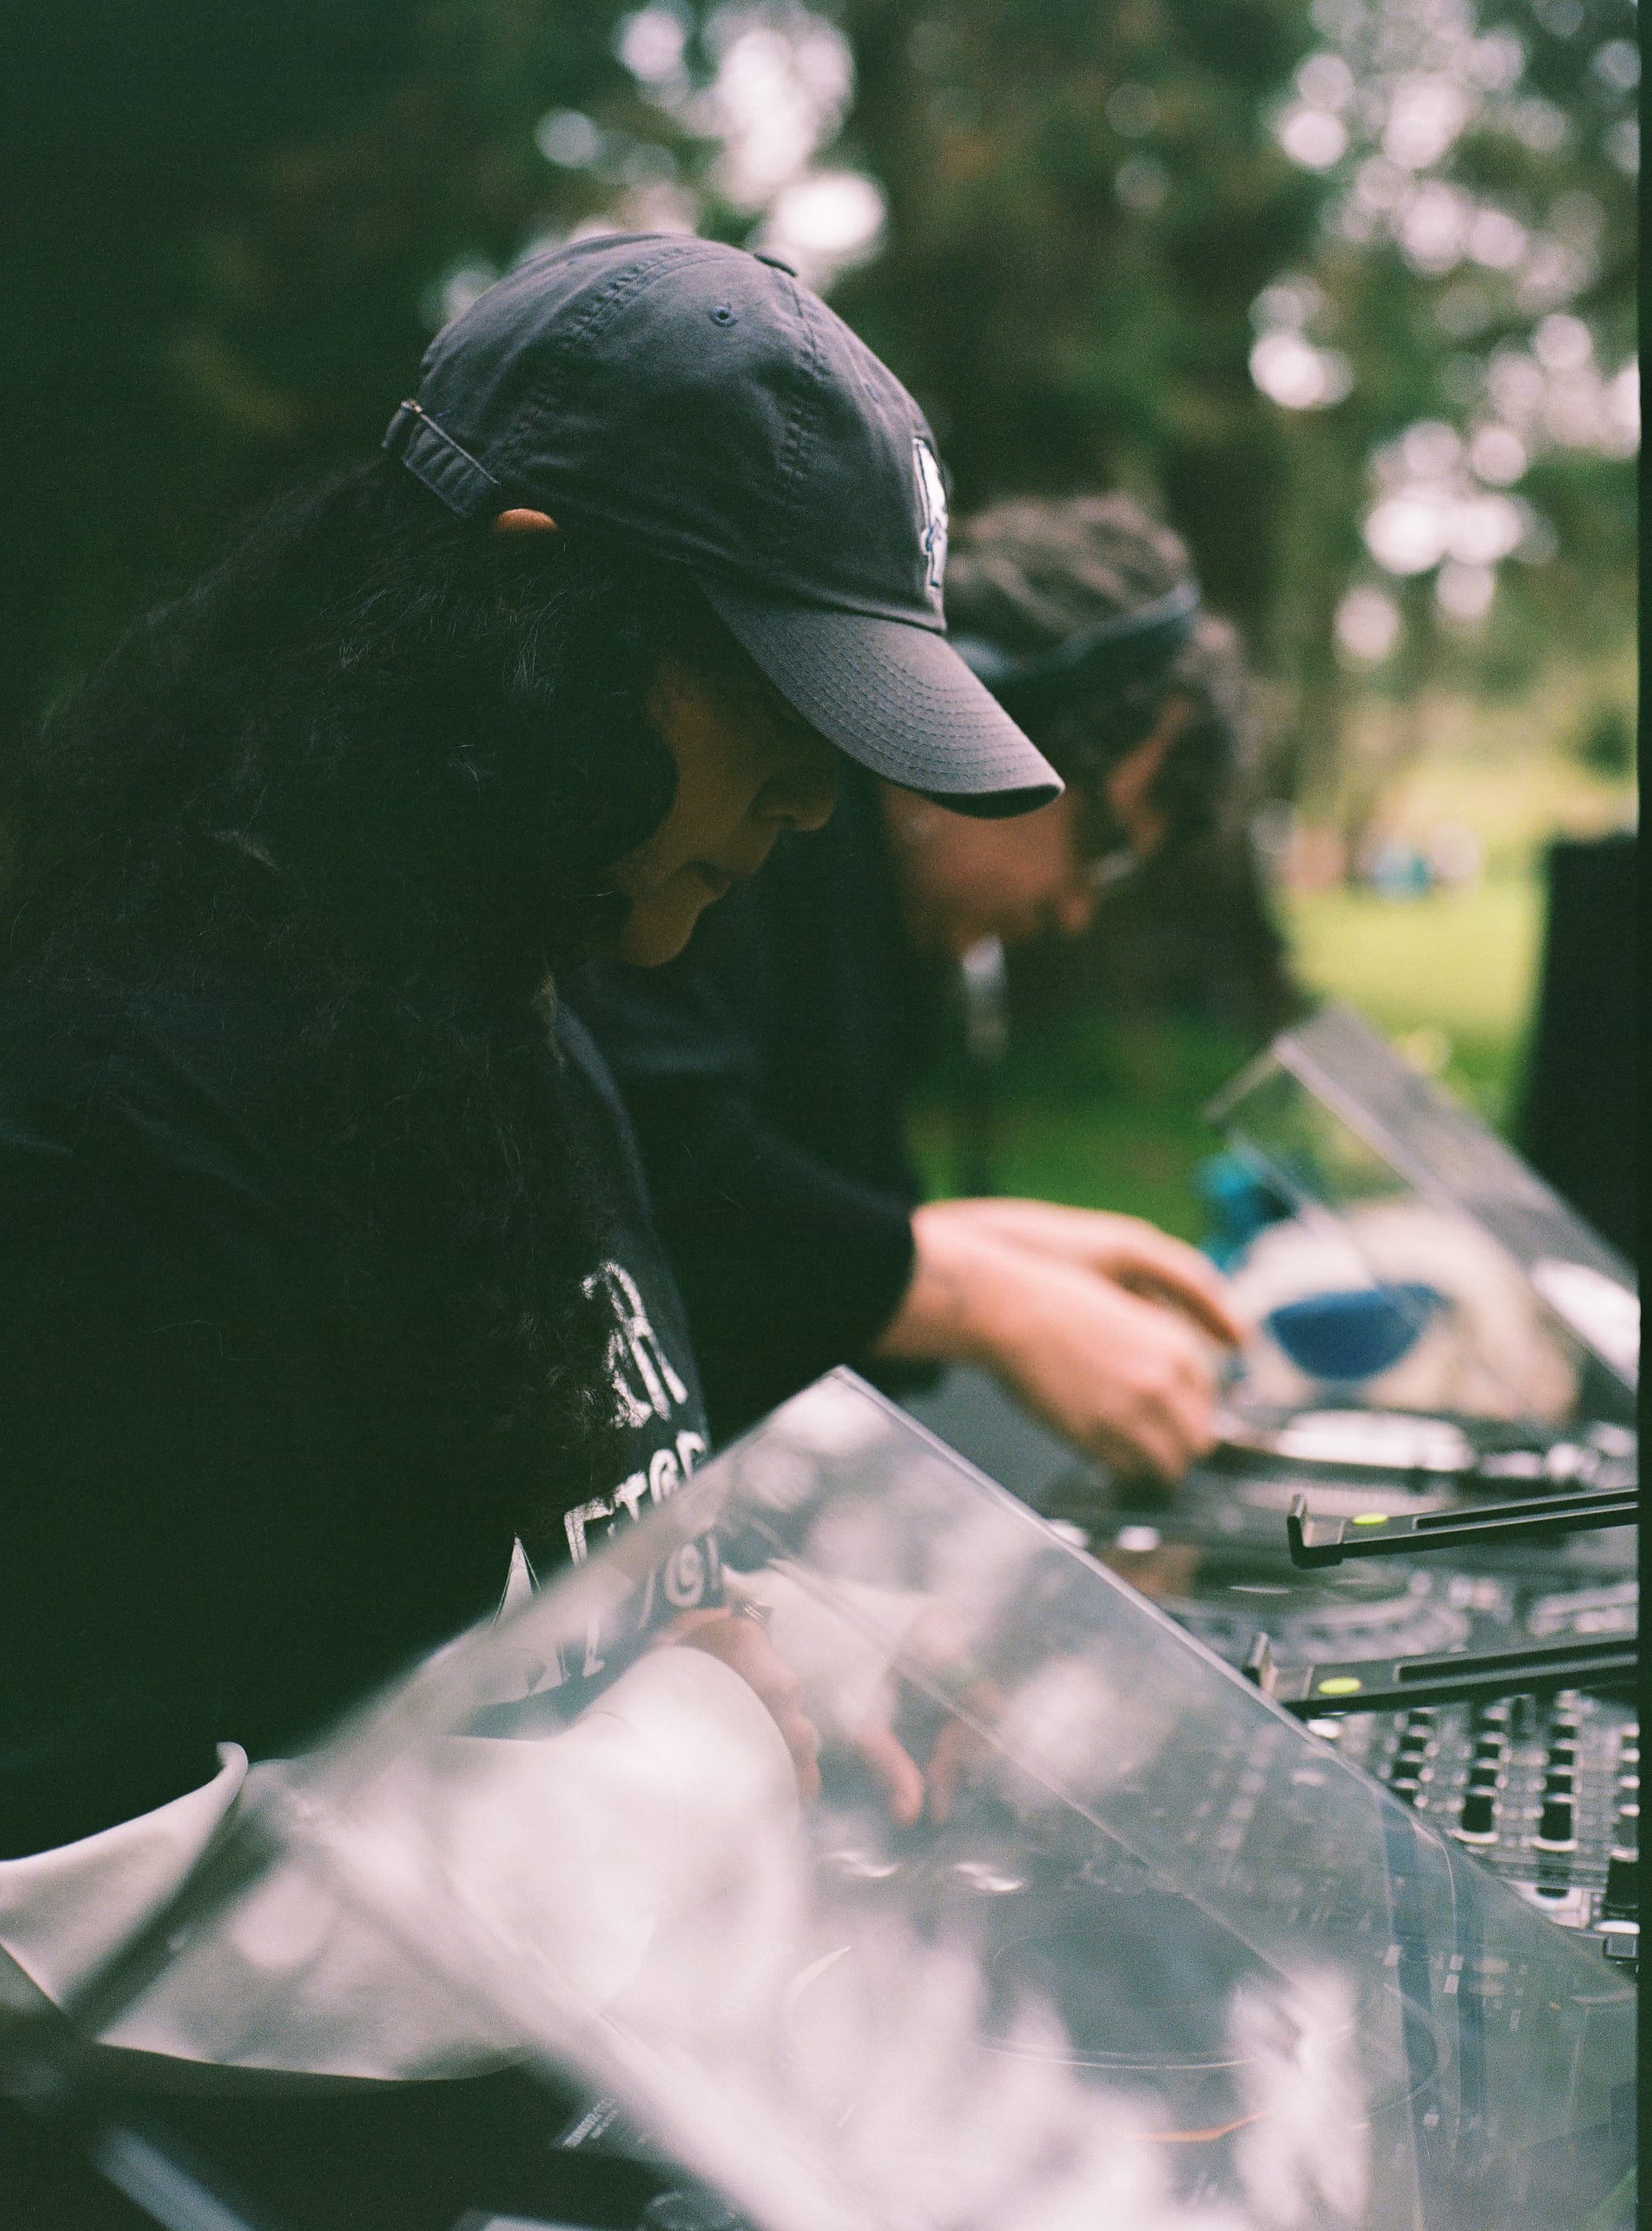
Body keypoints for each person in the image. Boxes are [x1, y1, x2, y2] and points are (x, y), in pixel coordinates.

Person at [0, 230, 1063, 2085]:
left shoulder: (494, 1003)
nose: (819, 799)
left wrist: (794, 1628)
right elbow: (71, 1932)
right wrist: (705, 1746)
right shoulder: (122, 1107)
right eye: (774, 700)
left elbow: (494, 1588)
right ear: (528, 606)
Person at [570, 495, 1254, 1480]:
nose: (1072, 914)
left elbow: (783, 1207)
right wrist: (989, 1300)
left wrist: (976, 1246)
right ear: (987, 699)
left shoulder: (886, 909)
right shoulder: (750, 839)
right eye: (1098, 845)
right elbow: (653, 1172)